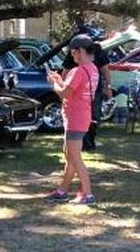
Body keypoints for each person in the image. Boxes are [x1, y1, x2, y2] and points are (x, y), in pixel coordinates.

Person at [45, 35, 99, 205]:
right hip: (82, 116)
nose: (72, 56)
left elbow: (64, 94)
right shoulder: (92, 69)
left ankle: (87, 194)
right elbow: (72, 89)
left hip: (75, 117)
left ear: (80, 51)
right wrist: (59, 80)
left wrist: (53, 84)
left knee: (74, 157)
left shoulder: (79, 71)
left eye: (73, 52)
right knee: (70, 155)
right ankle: (62, 190)